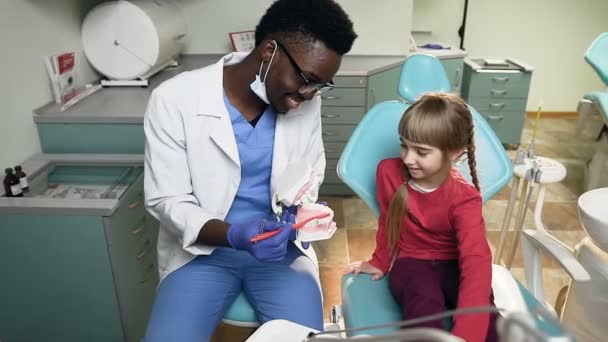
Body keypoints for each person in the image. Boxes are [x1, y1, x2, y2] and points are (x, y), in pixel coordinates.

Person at [142, 0, 356, 340]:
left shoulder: (304, 101)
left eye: (319, 86)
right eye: (306, 80)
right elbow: (166, 200)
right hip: (202, 252)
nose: (307, 95)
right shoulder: (175, 100)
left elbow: (309, 173)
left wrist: (299, 216)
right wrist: (232, 234)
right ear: (269, 51)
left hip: (279, 253)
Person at [344, 93, 498, 342]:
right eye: (404, 145)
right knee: (425, 308)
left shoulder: (465, 198)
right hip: (411, 262)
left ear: (455, 153)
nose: (408, 158)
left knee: (487, 320)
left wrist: (467, 336)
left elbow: (476, 261)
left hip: (453, 264)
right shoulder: (387, 172)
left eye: (421, 152)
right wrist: (381, 260)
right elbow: (388, 221)